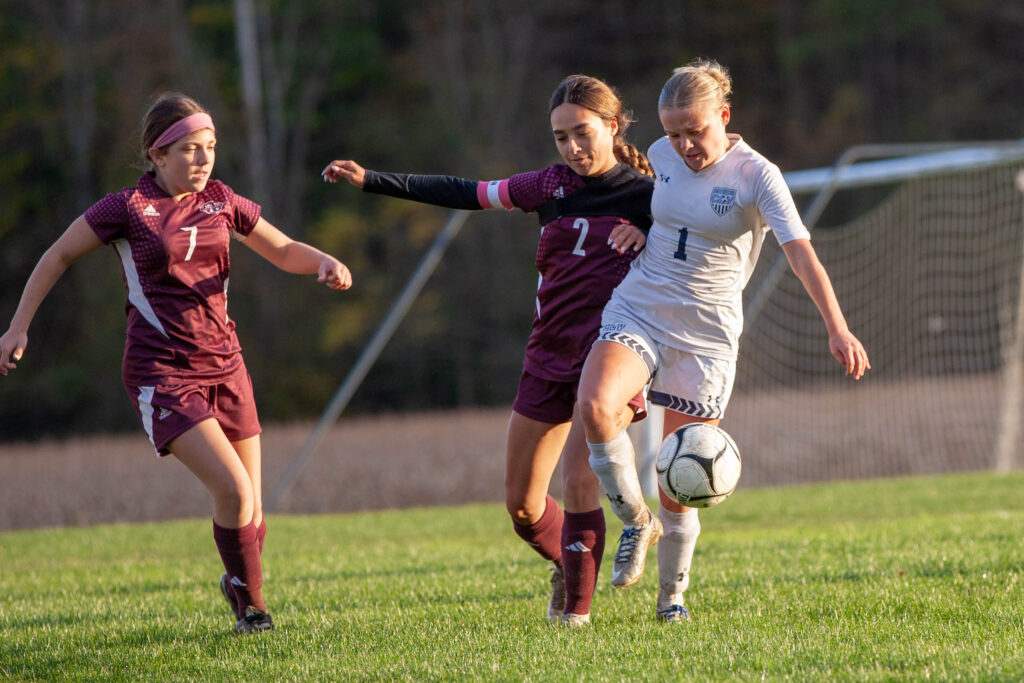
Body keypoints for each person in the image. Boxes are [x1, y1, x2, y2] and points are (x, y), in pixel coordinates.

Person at [0, 92, 353, 633]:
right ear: (157, 155)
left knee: (253, 514)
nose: (203, 158)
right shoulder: (126, 209)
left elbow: (282, 249)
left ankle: (237, 585)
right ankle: (253, 612)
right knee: (232, 493)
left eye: (210, 147)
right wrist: (18, 325)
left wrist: (324, 261)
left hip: (227, 365)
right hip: (161, 372)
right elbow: (58, 255)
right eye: (189, 149)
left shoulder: (222, 200)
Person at [323, 75, 655, 626]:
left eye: (583, 132)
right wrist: (372, 181)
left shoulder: (649, 197)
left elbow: (700, 245)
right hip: (546, 355)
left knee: (577, 483)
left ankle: (574, 619)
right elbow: (465, 192)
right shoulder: (548, 186)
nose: (573, 147)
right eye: (560, 137)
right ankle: (568, 565)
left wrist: (648, 232)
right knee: (523, 507)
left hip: (611, 359)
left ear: (613, 126)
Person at [576, 58, 871, 623]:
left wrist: (837, 326)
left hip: (706, 334)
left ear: (725, 116)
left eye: (697, 130)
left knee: (680, 474)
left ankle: (671, 601)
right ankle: (635, 522)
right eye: (674, 133)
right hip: (641, 306)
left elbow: (800, 251)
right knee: (595, 406)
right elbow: (658, 208)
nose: (685, 145)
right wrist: (641, 229)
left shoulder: (757, 176)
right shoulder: (660, 158)